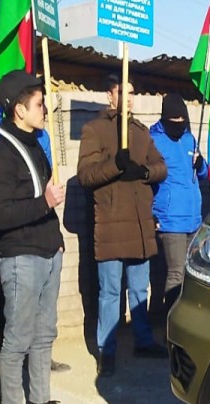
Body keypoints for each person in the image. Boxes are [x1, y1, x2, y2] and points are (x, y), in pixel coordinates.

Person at [0, 70, 82, 404]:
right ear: (19, 110)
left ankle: (38, 401)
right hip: (20, 258)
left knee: (44, 334)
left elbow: (45, 201)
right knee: (18, 339)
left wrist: (56, 239)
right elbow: (2, 215)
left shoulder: (36, 144)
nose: (45, 108)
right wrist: (45, 203)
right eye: (39, 103)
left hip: (47, 252)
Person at [77, 74, 168, 377]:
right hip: (112, 223)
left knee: (140, 290)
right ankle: (107, 350)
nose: (128, 98)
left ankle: (143, 341)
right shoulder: (95, 129)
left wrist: (142, 172)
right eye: (122, 92)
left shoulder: (141, 132)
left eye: (131, 93)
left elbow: (161, 167)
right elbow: (86, 175)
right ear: (109, 96)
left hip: (140, 225)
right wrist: (115, 164)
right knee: (110, 292)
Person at [0, 101, 71, 374]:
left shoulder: (41, 134)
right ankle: (8, 364)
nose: (44, 109)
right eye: (37, 102)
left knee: (41, 320)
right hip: (10, 233)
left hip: (41, 232)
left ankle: (36, 366)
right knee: (6, 306)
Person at [150, 94, 207, 315]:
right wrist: (151, 213)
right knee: (176, 274)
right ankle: (169, 325)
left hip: (193, 218)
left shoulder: (189, 139)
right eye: (174, 121)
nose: (178, 125)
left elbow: (201, 174)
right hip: (170, 219)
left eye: (181, 121)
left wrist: (201, 165)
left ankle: (185, 318)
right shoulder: (153, 140)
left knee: (191, 272)